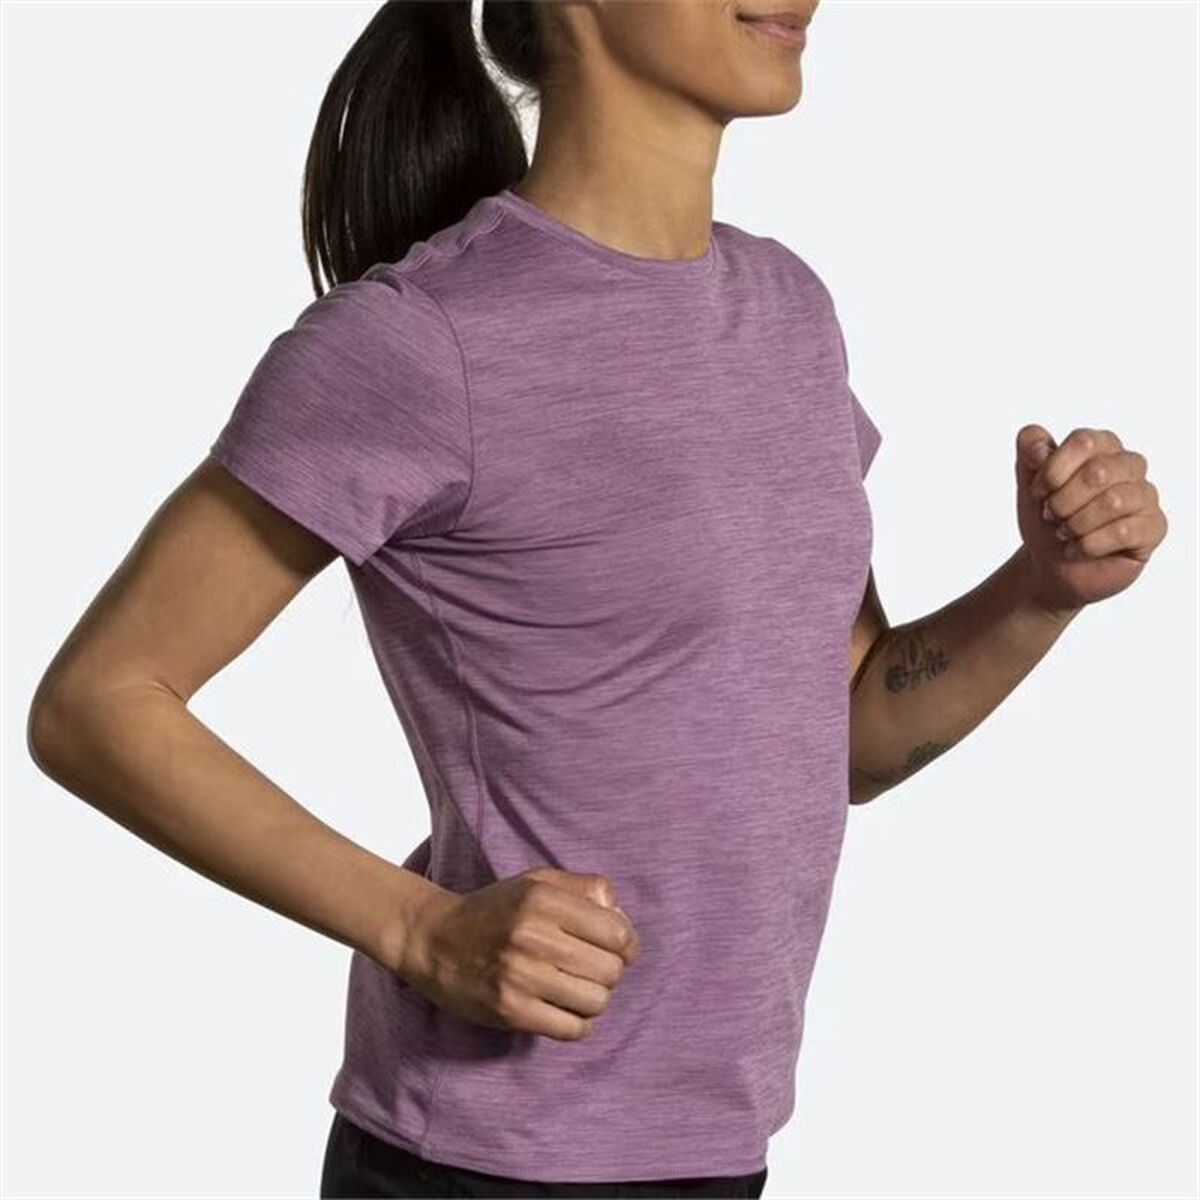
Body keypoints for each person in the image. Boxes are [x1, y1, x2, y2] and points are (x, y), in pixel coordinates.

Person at [25, 1, 1169, 1197]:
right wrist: (420, 929)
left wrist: (1042, 592)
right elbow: (98, 702)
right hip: (481, 1163)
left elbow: (845, 734)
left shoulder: (788, 314)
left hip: (718, 1147)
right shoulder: (420, 342)